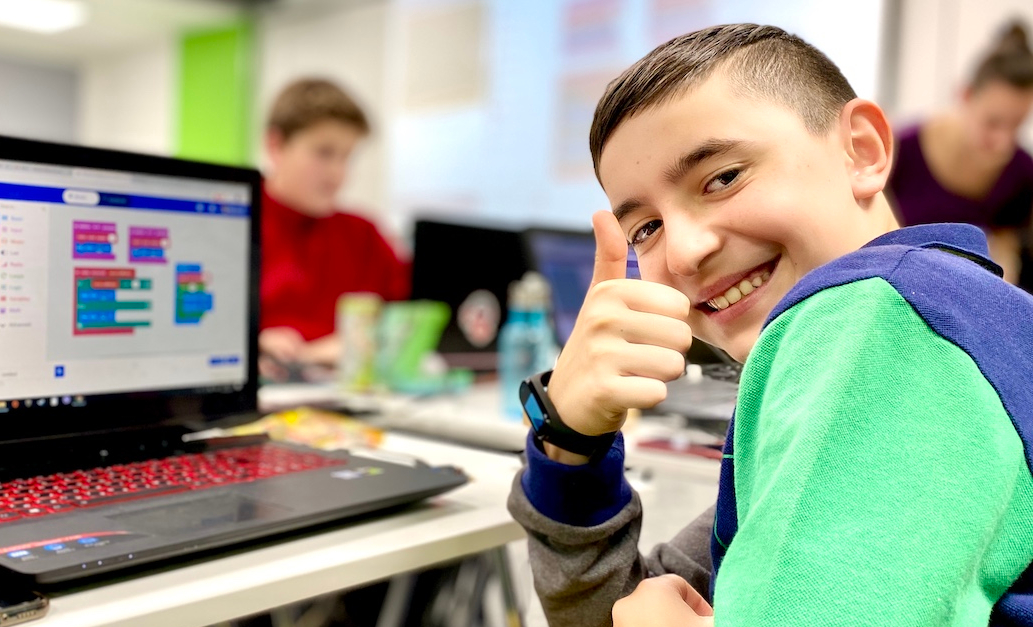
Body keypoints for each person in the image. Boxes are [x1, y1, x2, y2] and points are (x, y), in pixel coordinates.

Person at [508, 23, 1033, 627]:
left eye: (723, 178)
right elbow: (615, 614)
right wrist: (571, 441)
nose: (683, 253)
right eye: (645, 230)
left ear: (861, 151)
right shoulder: (903, 334)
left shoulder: (880, 318)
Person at [258, 78, 410, 380]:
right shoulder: (234, 223)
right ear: (276, 146)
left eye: (347, 157)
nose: (338, 174)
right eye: (324, 153)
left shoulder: (365, 234)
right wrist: (252, 344)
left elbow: (410, 321)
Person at [887, 21, 1033, 285]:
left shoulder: (1022, 172)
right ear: (965, 95)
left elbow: (1010, 249)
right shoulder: (899, 150)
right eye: (993, 123)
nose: (1003, 142)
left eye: (1016, 125)